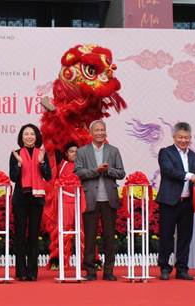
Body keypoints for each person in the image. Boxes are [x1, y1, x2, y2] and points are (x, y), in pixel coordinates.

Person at [74, 120, 125, 281]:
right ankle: (90, 270)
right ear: (90, 133)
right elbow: (78, 172)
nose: (100, 133)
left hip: (109, 199)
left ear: (105, 132)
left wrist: (107, 170)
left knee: (109, 237)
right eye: (96, 130)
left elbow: (121, 173)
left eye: (102, 130)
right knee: (90, 237)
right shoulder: (82, 151)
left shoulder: (113, 151)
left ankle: (109, 271)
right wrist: (96, 171)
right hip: (90, 198)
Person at [156, 122, 195, 281]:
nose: (183, 140)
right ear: (174, 137)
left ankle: (182, 268)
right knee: (166, 236)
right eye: (180, 137)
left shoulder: (194, 156)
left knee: (185, 238)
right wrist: (190, 176)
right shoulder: (165, 152)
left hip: (187, 202)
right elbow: (168, 171)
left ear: (190, 138)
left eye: (186, 138)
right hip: (169, 201)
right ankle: (164, 267)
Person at [9, 124, 52, 281]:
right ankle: (21, 271)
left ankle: (32, 272)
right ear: (21, 137)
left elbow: (48, 176)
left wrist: (42, 163)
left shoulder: (42, 153)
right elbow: (13, 177)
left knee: (33, 236)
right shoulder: (15, 154)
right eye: (26, 134)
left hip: (36, 198)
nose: (29, 137)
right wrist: (19, 164)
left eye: (32, 134)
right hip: (20, 199)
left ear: (36, 137)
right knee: (20, 235)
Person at [47, 142, 79, 269]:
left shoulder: (83, 165)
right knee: (63, 230)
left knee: (83, 231)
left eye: (76, 151)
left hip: (80, 201)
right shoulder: (61, 164)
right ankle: (59, 259)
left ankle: (89, 260)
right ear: (66, 153)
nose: (74, 154)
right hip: (65, 201)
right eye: (71, 151)